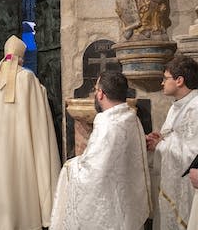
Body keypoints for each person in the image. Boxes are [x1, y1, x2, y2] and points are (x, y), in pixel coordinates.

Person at [0, 35, 60, 230]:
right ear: (21, 58)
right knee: (20, 180)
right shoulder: (27, 78)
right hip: (20, 149)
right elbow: (38, 116)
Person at [51, 71, 151, 230]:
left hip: (112, 199)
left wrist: (70, 167)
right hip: (127, 197)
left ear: (100, 94)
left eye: (96, 88)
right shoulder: (130, 116)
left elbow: (93, 170)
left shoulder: (107, 123)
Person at [146, 55, 198, 230]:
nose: (162, 83)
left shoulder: (195, 107)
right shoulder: (178, 105)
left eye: (165, 78)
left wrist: (160, 145)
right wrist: (160, 138)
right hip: (171, 182)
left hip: (188, 185)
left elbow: (192, 153)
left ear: (179, 81)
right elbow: (176, 137)